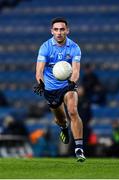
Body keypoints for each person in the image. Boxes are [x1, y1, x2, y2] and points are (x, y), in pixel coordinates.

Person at [34, 17, 86, 162]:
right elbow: (39, 71)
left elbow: (75, 70)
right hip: (50, 89)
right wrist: (40, 83)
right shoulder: (45, 47)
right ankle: (64, 128)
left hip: (67, 86)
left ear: (67, 30)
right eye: (56, 29)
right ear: (51, 31)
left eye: (62, 29)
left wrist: (72, 82)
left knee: (73, 111)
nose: (59, 32)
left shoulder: (74, 47)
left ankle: (79, 149)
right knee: (61, 120)